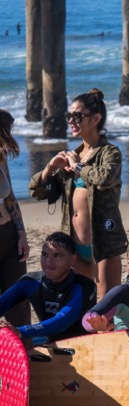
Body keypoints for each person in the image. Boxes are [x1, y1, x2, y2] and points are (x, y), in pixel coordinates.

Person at [29, 88, 127, 300]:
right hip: (74, 247)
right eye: (68, 116)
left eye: (76, 116)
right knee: (83, 305)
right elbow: (37, 192)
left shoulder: (109, 152)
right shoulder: (72, 154)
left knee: (107, 308)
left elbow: (105, 178)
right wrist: (50, 168)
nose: (71, 121)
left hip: (103, 244)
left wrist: (77, 167)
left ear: (96, 119)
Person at [0, 232, 96, 342]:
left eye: (57, 256)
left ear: (73, 259)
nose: (48, 262)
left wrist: (21, 331)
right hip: (51, 345)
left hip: (85, 348)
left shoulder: (84, 286)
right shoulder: (30, 282)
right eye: (44, 255)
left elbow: (62, 322)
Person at [0, 109, 29, 328]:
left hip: (9, 234)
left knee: (18, 300)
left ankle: (25, 354)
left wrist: (21, 233)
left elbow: (9, 197)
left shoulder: (0, 156)